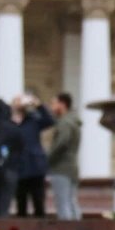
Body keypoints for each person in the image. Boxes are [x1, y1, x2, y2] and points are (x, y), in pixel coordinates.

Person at [11, 92, 54, 218]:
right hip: (18, 168)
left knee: (39, 204)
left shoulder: (33, 119)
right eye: (17, 100)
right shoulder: (9, 123)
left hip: (35, 168)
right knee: (21, 205)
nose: (20, 103)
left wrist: (39, 105)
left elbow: (49, 121)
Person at [46, 92, 82, 220]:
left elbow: (60, 144)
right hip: (70, 167)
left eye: (53, 103)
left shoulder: (65, 123)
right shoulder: (72, 121)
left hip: (61, 168)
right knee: (71, 202)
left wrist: (48, 159)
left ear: (62, 104)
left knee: (63, 203)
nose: (51, 107)